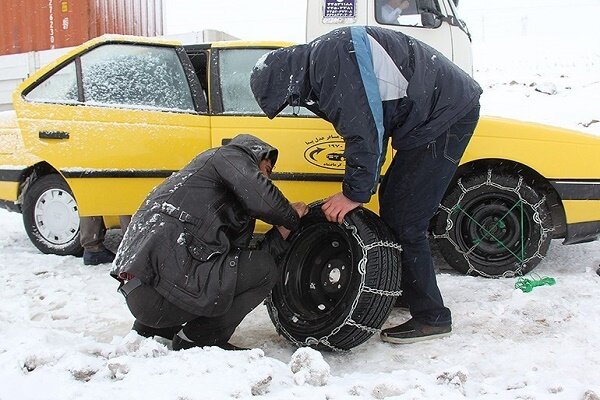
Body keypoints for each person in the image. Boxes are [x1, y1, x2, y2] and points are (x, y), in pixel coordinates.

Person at [250, 26, 482, 344]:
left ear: (287, 79)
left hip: (445, 115)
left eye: (289, 99)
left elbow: (365, 128)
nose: (295, 103)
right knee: (395, 199)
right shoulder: (323, 60)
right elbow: (376, 120)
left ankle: (432, 316)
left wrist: (354, 193)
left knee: (407, 217)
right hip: (432, 113)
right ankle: (405, 288)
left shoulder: (330, 62)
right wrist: (366, 182)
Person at [111, 134, 308, 350]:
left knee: (255, 267)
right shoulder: (228, 155)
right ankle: (199, 339)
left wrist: (281, 232)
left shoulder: (224, 204)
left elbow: (238, 268)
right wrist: (290, 215)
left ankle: (156, 330)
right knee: (265, 269)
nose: (268, 179)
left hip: (146, 296)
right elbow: (263, 199)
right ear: (255, 153)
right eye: (267, 170)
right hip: (158, 293)